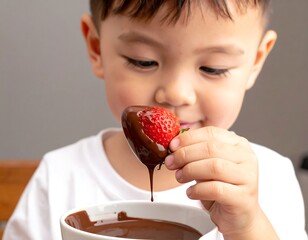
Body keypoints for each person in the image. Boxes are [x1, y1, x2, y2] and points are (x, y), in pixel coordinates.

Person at [3, 0, 307, 239]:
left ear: (255, 60)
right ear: (97, 48)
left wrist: (247, 225)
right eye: (143, 61)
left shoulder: (270, 179)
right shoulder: (58, 177)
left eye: (213, 68)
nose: (176, 94)